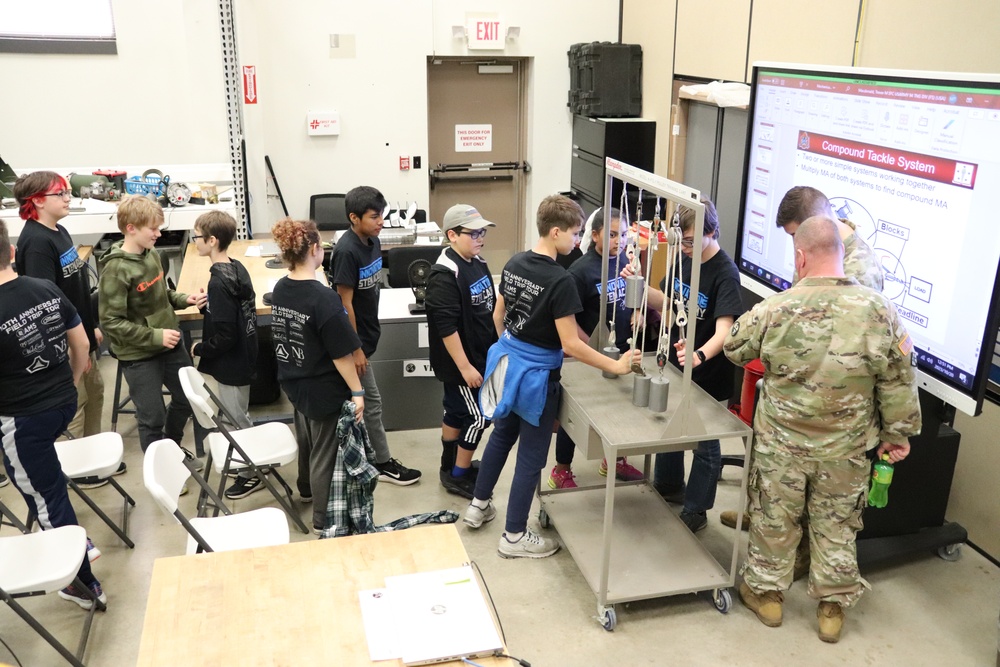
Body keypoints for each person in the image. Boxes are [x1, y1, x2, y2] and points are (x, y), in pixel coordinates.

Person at [723, 216, 920, 643]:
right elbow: (899, 376)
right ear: (841, 254)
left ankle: (767, 596)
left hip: (782, 444)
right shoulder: (878, 309)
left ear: (800, 257)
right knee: (837, 524)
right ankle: (832, 608)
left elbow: (735, 347)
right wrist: (897, 435)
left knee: (775, 519)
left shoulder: (778, 306)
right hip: (845, 450)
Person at [462, 194, 639, 559]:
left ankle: (478, 505)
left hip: (506, 363)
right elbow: (571, 345)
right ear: (555, 232)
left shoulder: (512, 263)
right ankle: (513, 536)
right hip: (536, 378)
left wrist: (514, 349)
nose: (578, 241)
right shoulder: (561, 281)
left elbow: (499, 317)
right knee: (531, 455)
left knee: (501, 436)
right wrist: (617, 366)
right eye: (575, 234)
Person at [0, 219, 107, 609]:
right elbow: (80, 344)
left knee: (47, 498)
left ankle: (83, 580)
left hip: (24, 422)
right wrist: (72, 383)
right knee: (46, 484)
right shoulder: (44, 288)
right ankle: (72, 540)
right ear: (12, 253)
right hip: (62, 403)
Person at [642, 198, 743, 533]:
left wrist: (698, 354)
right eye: (678, 240)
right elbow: (671, 303)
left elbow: (725, 331)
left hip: (708, 373)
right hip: (676, 363)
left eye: (688, 240)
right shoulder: (684, 259)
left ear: (710, 233)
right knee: (672, 426)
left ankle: (697, 509)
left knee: (704, 442)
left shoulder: (725, 272)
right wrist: (642, 292)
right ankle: (669, 484)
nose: (683, 247)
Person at [14, 172, 114, 484]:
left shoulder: (59, 230)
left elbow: (76, 288)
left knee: (96, 393)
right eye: (61, 194)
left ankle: (93, 460)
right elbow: (46, 306)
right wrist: (74, 347)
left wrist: (91, 326)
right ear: (39, 201)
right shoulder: (37, 243)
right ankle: (75, 470)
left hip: (82, 334)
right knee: (78, 403)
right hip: (68, 343)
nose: (68, 199)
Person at [269, 217, 365, 533]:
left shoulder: (281, 288)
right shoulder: (324, 298)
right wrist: (357, 391)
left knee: (307, 440)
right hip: (323, 389)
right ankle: (324, 520)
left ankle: (305, 488)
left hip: (293, 381)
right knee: (325, 453)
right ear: (314, 250)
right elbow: (341, 354)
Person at [98, 195, 208, 459]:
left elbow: (162, 294)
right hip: (139, 353)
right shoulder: (116, 270)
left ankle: (170, 450)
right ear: (131, 228)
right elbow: (110, 322)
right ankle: (159, 467)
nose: (159, 234)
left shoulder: (151, 255)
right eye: (153, 228)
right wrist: (155, 336)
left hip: (168, 342)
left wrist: (185, 299)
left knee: (188, 399)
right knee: (152, 417)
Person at [330, 185, 420, 486]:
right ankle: (382, 463)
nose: (381, 220)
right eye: (374, 216)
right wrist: (355, 349)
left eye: (382, 214)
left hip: (368, 333)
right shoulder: (346, 251)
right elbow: (344, 304)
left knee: (358, 402)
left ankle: (361, 457)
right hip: (354, 341)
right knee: (372, 401)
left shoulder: (372, 240)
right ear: (354, 218)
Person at [548, 207, 642, 490]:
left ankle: (614, 460)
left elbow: (632, 295)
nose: (620, 240)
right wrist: (590, 350)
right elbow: (568, 319)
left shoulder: (626, 263)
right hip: (589, 356)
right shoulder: (580, 271)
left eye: (624, 234)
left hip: (621, 351)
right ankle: (561, 470)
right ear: (597, 234)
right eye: (613, 235)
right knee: (574, 415)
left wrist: (637, 310)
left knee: (620, 408)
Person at [424, 204, 498, 499]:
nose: (480, 238)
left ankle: (448, 465)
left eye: (483, 232)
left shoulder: (475, 260)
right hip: (462, 363)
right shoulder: (444, 275)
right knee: (480, 418)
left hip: (480, 355)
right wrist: (466, 367)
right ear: (452, 235)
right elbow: (446, 328)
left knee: (455, 411)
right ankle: (459, 474)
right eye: (474, 233)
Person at [188, 211, 260, 499]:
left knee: (235, 418)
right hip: (246, 354)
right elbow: (236, 318)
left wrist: (200, 348)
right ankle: (253, 461)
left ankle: (250, 471)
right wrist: (210, 310)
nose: (194, 242)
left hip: (231, 363)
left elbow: (226, 337)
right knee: (238, 411)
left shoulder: (218, 283)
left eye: (196, 237)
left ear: (212, 240)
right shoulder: (237, 268)